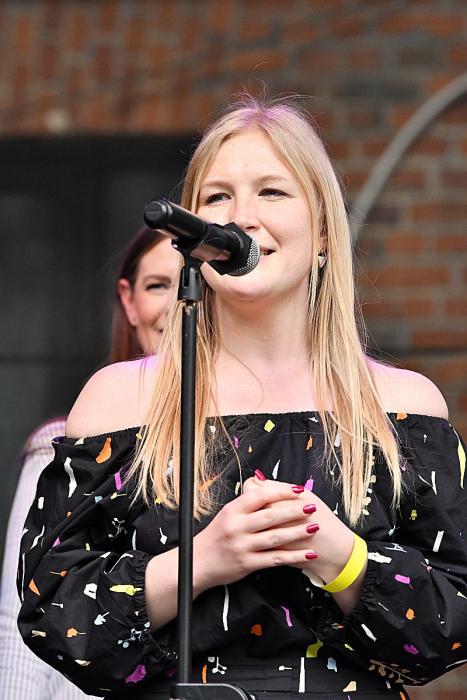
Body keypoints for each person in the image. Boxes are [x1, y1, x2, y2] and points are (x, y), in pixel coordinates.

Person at [16, 94, 467, 700]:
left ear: (324, 232)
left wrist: (341, 558)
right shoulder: (122, 400)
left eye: (272, 192)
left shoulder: (402, 408)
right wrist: (204, 560)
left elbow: (452, 619)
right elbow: (54, 611)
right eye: (217, 198)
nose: (241, 217)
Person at [0, 227, 179, 699]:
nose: (175, 305)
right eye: (158, 285)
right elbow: (18, 621)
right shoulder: (63, 444)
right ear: (129, 301)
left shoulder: (253, 442)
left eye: (190, 285)